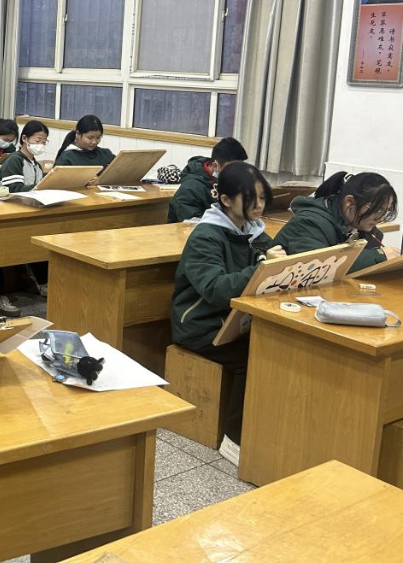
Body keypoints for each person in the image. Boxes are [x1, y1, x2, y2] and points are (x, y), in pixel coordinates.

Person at [171, 162, 285, 467]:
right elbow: (216, 289)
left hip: (236, 321)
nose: (259, 205)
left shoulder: (254, 230)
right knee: (256, 357)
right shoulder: (207, 235)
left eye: (263, 197)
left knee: (284, 347)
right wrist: (262, 267)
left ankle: (272, 430)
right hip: (201, 325)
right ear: (225, 200)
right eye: (250, 199)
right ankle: (235, 440)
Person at [272, 172, 399, 273]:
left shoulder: (359, 223)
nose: (380, 218)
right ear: (349, 202)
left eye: (385, 211)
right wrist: (379, 255)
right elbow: (318, 266)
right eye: (377, 209)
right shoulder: (309, 222)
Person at [167, 137, 249, 223]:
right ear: (215, 166)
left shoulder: (231, 181)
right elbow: (194, 224)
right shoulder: (190, 188)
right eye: (232, 169)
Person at [0, 120, 50, 193]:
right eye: (37, 141)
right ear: (24, 138)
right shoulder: (15, 160)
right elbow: (13, 190)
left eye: (43, 142)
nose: (41, 145)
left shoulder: (37, 166)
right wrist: (41, 187)